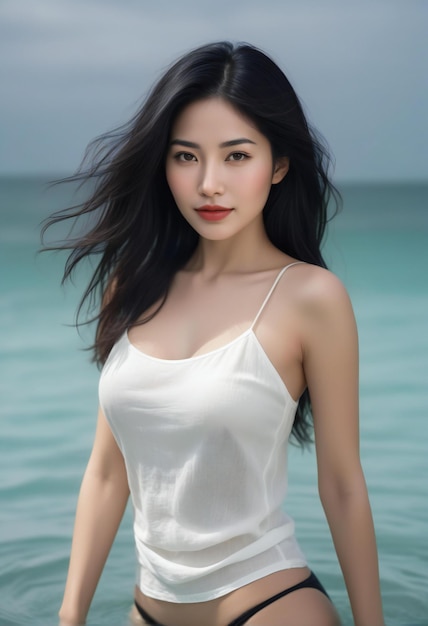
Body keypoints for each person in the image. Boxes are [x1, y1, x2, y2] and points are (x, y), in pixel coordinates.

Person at [44, 41, 385, 626]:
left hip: (269, 605)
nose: (208, 184)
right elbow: (106, 473)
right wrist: (69, 615)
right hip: (147, 610)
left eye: (236, 156)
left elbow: (342, 483)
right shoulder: (132, 285)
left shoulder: (311, 298)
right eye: (185, 157)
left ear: (278, 165)